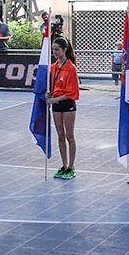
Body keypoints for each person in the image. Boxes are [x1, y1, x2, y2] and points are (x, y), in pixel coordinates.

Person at [47, 36, 80, 179]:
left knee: (69, 135)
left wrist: (55, 99)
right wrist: (50, 94)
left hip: (67, 104)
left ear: (64, 50)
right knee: (60, 135)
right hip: (56, 104)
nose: (54, 52)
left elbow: (72, 92)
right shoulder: (53, 67)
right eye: (53, 50)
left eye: (57, 50)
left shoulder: (71, 68)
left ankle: (71, 166)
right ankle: (64, 164)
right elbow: (54, 86)